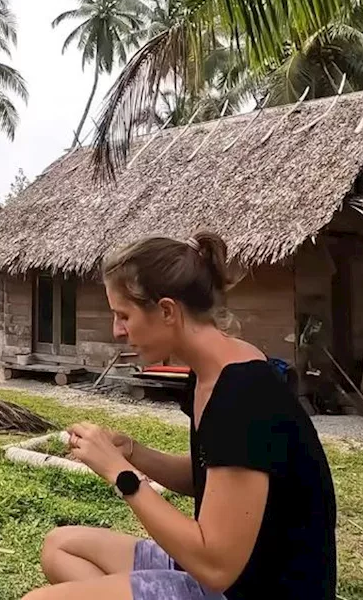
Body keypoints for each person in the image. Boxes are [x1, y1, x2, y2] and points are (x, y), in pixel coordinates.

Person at [30, 232, 337, 600]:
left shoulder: (243, 395)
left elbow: (216, 566)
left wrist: (120, 473)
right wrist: (132, 451)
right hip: (219, 573)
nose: (116, 330)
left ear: (166, 311)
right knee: (59, 548)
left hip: (252, 588)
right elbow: (208, 477)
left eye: (123, 315)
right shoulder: (212, 371)